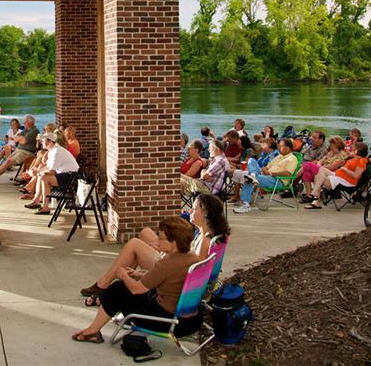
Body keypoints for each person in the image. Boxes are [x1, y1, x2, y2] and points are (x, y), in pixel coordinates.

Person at [72, 217, 201, 343]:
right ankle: (96, 327)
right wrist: (138, 274)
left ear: (173, 243)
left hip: (168, 322)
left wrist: (123, 275)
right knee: (126, 289)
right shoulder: (193, 259)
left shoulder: (165, 264)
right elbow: (166, 279)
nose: (157, 240)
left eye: (161, 238)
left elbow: (136, 290)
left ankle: (92, 331)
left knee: (117, 289)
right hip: (190, 321)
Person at [79, 195, 228, 303]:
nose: (190, 211)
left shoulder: (205, 242)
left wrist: (169, 252)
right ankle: (119, 287)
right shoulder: (210, 234)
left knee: (134, 245)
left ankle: (104, 285)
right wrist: (164, 246)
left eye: (194, 208)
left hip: (175, 273)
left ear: (206, 213)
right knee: (145, 233)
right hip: (177, 261)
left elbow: (192, 272)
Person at [235, 138, 298, 213]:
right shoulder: (279, 156)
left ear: (288, 148)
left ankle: (246, 205)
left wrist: (272, 173)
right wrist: (265, 170)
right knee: (251, 160)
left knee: (249, 178)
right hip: (266, 175)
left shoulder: (292, 158)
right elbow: (266, 167)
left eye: (281, 146)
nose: (278, 147)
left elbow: (288, 173)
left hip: (277, 179)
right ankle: (253, 176)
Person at [25, 132, 80, 215]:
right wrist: (37, 171)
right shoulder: (53, 150)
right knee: (41, 175)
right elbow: (49, 167)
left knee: (44, 177)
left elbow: (51, 171)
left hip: (70, 178)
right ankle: (36, 202)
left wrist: (37, 172)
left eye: (43, 140)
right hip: (66, 175)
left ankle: (45, 207)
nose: (41, 142)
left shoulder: (56, 151)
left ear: (50, 142)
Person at [305, 144, 369, 209]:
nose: (351, 149)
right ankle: (314, 196)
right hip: (339, 175)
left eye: (354, 149)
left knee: (319, 176)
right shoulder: (354, 158)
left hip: (347, 181)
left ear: (357, 150)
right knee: (320, 171)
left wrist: (345, 169)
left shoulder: (362, 161)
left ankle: (314, 198)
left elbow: (356, 175)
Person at [298, 136, 349, 202]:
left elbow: (332, 167)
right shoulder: (331, 153)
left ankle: (292, 179)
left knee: (308, 164)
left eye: (331, 145)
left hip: (330, 174)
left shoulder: (342, 156)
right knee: (306, 173)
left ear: (336, 145)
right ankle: (309, 196)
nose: (330, 146)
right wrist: (319, 165)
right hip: (321, 170)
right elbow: (320, 161)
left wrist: (320, 167)